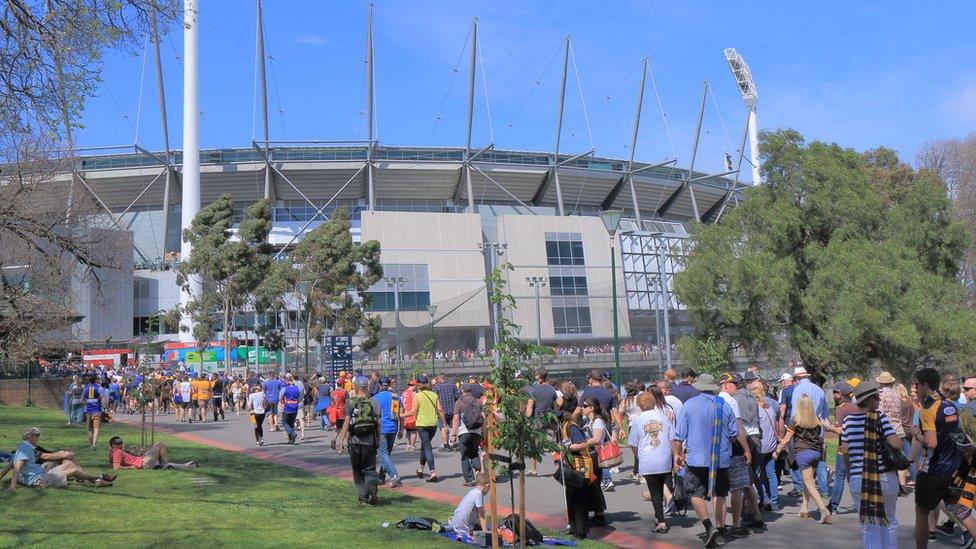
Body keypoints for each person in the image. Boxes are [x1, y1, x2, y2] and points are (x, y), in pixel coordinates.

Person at [672, 389, 739, 548]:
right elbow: (733, 433)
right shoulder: (725, 406)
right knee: (720, 493)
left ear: (700, 388)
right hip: (720, 458)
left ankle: (709, 527)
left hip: (697, 458)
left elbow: (679, 435)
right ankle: (721, 529)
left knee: (695, 493)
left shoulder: (689, 405)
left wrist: (677, 454)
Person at [840, 381, 903, 548]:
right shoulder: (879, 417)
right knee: (889, 520)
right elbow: (896, 444)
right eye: (876, 396)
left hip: (858, 478)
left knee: (869, 525)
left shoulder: (847, 421)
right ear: (868, 400)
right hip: (883, 476)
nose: (879, 399)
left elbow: (845, 450)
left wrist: (849, 473)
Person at [913, 367, 965, 549]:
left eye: (917, 384)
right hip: (954, 466)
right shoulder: (948, 405)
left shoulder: (927, 409)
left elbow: (931, 442)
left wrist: (916, 434)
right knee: (962, 512)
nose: (915, 388)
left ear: (926, 385)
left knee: (921, 513)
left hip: (934, 469)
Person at [773, 394, 831, 524]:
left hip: (803, 454)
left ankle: (823, 509)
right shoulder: (816, 419)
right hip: (816, 453)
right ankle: (804, 508)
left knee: (809, 484)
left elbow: (787, 439)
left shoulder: (796, 419)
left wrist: (777, 450)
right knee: (807, 482)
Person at [717, 372, 761, 538]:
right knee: (738, 487)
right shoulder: (731, 401)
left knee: (719, 491)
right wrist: (746, 449)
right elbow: (738, 428)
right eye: (734, 383)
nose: (736, 386)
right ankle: (736, 525)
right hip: (734, 449)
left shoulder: (716, 400)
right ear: (725, 384)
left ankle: (720, 526)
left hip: (719, 450)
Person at [1, 427, 115, 489]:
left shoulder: (25, 446)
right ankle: (99, 477)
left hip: (42, 473)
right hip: (39, 479)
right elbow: (16, 468)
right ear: (30, 436)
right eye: (37, 435)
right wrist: (13, 487)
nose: (38, 437)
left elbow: (10, 465)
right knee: (74, 470)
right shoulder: (25, 448)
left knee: (70, 464)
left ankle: (95, 481)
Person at [629, 388, 675, 534]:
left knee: (655, 492)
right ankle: (659, 515)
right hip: (664, 457)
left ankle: (661, 522)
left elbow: (633, 444)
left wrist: (638, 456)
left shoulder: (638, 421)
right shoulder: (663, 417)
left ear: (640, 405)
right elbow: (672, 438)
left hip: (648, 459)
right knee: (664, 486)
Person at [336, 377, 381, 505]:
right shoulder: (373, 401)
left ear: (355, 388)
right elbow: (378, 423)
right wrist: (378, 439)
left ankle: (363, 498)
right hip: (370, 441)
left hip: (354, 442)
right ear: (366, 387)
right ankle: (372, 486)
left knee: (357, 470)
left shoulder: (350, 403)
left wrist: (341, 442)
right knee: (370, 468)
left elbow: (346, 422)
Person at [790, 365, 830, 496]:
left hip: (803, 431)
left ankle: (805, 488)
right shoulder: (819, 390)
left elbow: (795, 413)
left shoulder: (798, 390)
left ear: (797, 378)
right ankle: (824, 490)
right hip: (818, 429)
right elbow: (825, 412)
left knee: (804, 460)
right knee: (821, 461)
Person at [581, 369, 621, 492]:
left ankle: (604, 479)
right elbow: (615, 411)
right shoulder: (608, 392)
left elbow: (579, 410)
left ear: (591, 379)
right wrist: (619, 427)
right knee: (603, 450)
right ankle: (606, 479)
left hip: (594, 424)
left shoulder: (587, 392)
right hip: (606, 423)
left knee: (595, 451)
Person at [824, 381, 859, 515]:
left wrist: (829, 427)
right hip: (857, 447)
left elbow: (841, 430)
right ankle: (861, 503)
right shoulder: (855, 407)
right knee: (854, 476)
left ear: (841, 394)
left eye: (835, 392)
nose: (833, 395)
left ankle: (833, 506)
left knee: (839, 477)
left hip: (843, 448)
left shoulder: (841, 408)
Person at [405, 374, 446, 482]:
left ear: (418, 384)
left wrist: (403, 415)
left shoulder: (417, 396)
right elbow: (440, 410)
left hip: (422, 424)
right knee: (424, 445)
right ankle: (421, 468)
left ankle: (433, 472)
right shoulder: (433, 394)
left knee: (427, 446)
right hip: (433, 424)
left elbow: (413, 411)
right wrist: (445, 423)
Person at [578, 397, 610, 526]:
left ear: (591, 408)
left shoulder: (597, 421)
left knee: (595, 485)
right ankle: (596, 513)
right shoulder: (587, 421)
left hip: (595, 456)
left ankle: (600, 515)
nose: (582, 408)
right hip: (588, 455)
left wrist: (580, 444)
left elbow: (596, 439)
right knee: (590, 485)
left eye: (584, 406)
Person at [753, 379, 781, 511]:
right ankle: (774, 501)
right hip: (772, 445)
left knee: (755, 474)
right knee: (771, 473)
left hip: (761, 447)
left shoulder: (756, 410)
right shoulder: (769, 407)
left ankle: (764, 497)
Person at [526, 368, 558, 476]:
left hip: (537, 420)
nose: (535, 376)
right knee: (553, 444)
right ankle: (558, 467)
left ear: (539, 376)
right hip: (549, 420)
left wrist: (528, 419)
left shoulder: (534, 390)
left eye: (536, 374)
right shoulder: (552, 389)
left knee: (533, 445)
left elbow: (530, 406)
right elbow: (556, 406)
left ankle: (534, 469)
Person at [373, 375, 403, 487]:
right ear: (389, 384)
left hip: (382, 429)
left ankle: (394, 475)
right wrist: (401, 429)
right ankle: (381, 477)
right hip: (393, 428)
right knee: (386, 454)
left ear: (379, 385)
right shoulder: (395, 397)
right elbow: (399, 415)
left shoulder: (375, 398)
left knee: (383, 453)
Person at [453, 383, 484, 486]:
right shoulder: (479, 402)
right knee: (475, 453)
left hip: (464, 432)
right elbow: (483, 417)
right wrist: (482, 432)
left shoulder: (459, 402)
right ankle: (479, 475)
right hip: (477, 432)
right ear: (471, 390)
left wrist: (454, 434)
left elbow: (456, 419)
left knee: (465, 456)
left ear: (462, 390)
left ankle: (469, 480)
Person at [108, 437, 197, 470]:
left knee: (157, 446)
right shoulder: (117, 452)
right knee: (160, 444)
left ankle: (189, 466)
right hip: (142, 463)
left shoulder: (117, 451)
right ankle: (166, 465)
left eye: (121, 442)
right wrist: (132, 467)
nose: (120, 444)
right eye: (118, 443)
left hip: (142, 460)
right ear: (113, 445)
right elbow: (116, 468)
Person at [448, 471, 490, 538]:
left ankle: (446, 528)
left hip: (455, 522)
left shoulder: (473, 491)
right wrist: (486, 533)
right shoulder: (478, 494)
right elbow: (481, 516)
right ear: (488, 485)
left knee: (481, 519)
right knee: (484, 522)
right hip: (464, 528)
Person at [434, 375, 460, 451]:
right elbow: (457, 395)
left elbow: (434, 397)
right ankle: (454, 444)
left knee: (442, 427)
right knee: (453, 427)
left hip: (441, 411)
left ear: (439, 378)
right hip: (452, 410)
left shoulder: (437, 387)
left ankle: (446, 445)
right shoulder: (452, 386)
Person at [82, 374, 105, 448]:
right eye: (98, 378)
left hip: (88, 411)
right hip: (97, 410)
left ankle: (90, 444)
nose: (99, 380)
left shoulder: (85, 388)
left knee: (89, 429)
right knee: (96, 428)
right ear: (95, 380)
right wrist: (106, 408)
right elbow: (103, 400)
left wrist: (89, 403)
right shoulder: (99, 388)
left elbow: (83, 400)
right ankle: (94, 445)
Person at [279, 373, 302, 444]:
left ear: (287, 381)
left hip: (287, 408)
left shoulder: (284, 389)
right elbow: (299, 397)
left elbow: (280, 397)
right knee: (291, 423)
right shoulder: (296, 388)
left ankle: (292, 433)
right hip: (295, 408)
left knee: (285, 423)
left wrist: (281, 401)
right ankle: (291, 439)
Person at [400, 380, 418, 451]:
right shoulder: (414, 393)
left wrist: (402, 413)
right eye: (416, 386)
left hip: (405, 414)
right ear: (414, 386)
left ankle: (408, 445)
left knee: (408, 431)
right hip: (412, 414)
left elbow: (401, 403)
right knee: (414, 431)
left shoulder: (403, 393)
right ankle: (412, 445)